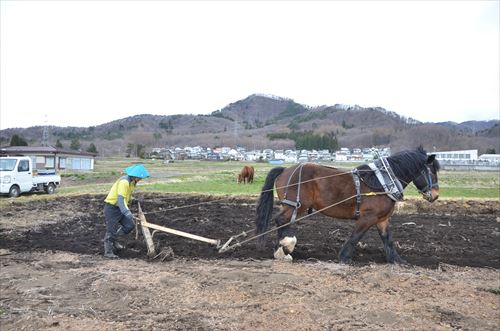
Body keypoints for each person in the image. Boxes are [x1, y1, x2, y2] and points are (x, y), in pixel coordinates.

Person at [103, 164, 150, 258]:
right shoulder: (124, 182)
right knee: (111, 230)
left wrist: (132, 200)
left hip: (120, 208)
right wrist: (127, 212)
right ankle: (108, 252)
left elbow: (126, 195)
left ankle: (115, 241)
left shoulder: (132, 182)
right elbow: (120, 199)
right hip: (112, 208)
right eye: (140, 177)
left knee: (129, 225)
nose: (140, 179)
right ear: (135, 176)